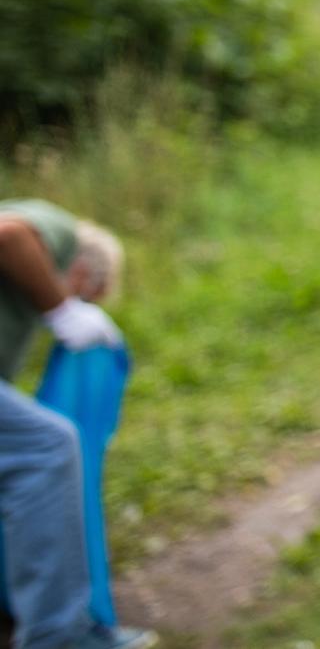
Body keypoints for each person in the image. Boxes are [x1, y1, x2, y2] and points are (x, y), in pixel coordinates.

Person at [0, 199, 151, 649]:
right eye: (87, 296)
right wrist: (64, 310)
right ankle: (58, 636)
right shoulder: (58, 231)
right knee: (48, 445)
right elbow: (8, 235)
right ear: (83, 274)